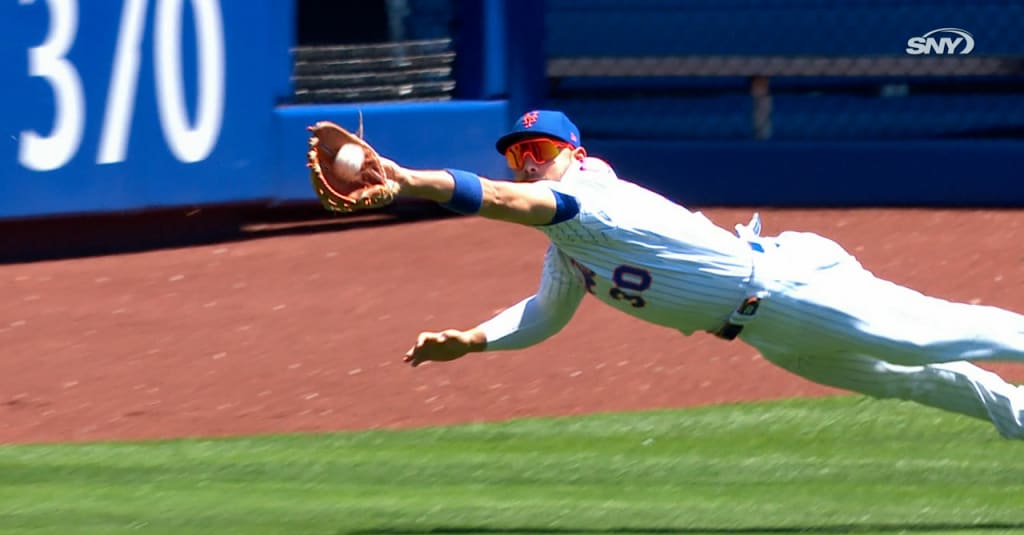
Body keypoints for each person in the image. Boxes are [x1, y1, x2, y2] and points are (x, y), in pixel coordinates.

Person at [380, 109, 1024, 439]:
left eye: (538, 151)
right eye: (517, 154)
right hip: (768, 329)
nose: (525, 163)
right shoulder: (570, 244)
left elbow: (499, 200)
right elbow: (546, 313)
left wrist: (411, 180)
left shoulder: (592, 199)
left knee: (931, 335)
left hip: (789, 287)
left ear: (574, 154)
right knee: (910, 380)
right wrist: (475, 340)